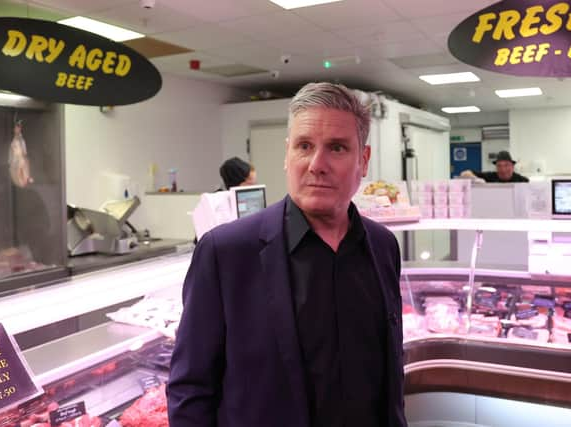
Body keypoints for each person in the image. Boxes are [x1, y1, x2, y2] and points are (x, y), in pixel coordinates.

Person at [167, 82, 406, 427]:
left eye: (337, 148)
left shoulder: (382, 246)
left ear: (363, 160)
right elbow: (191, 389)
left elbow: (388, 373)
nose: (316, 164)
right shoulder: (226, 253)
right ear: (287, 154)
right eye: (304, 146)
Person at [460, 150, 529, 182]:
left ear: (512, 166)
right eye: (499, 166)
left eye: (506, 165)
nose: (503, 169)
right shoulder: (490, 177)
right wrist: (476, 180)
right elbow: (464, 173)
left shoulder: (522, 180)